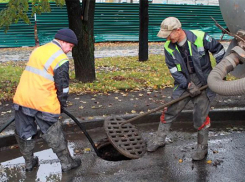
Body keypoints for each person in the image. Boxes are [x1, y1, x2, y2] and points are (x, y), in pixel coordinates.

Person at [147, 17, 225, 160]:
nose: (167, 38)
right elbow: (174, 71)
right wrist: (187, 85)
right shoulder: (168, 47)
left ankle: (202, 147)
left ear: (178, 30)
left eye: (169, 34)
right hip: (184, 81)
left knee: (200, 117)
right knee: (170, 110)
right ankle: (159, 139)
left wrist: (221, 72)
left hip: (204, 80)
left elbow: (219, 52)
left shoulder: (200, 37)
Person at [13, 28, 81, 172]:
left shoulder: (39, 50)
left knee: (25, 133)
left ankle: (29, 163)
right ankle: (67, 163)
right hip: (43, 102)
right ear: (62, 41)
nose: (69, 50)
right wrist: (61, 106)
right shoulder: (61, 58)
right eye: (70, 46)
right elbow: (62, 87)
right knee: (54, 132)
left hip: (22, 99)